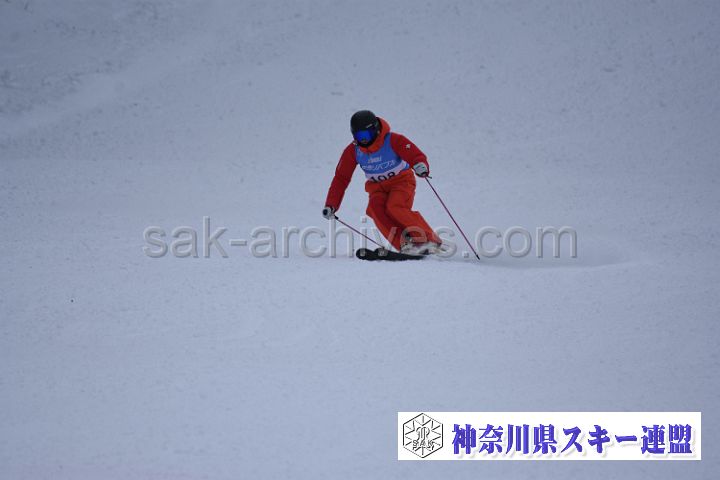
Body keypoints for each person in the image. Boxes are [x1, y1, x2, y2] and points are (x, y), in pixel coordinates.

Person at [322, 110, 442, 255]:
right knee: (375, 209)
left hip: (401, 181)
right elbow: (341, 178)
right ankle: (405, 245)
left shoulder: (392, 140)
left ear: (376, 130)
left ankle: (429, 241)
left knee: (395, 206)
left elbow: (414, 154)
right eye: (359, 136)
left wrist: (420, 164)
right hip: (377, 188)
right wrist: (331, 204)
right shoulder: (354, 150)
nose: (363, 140)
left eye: (366, 135)